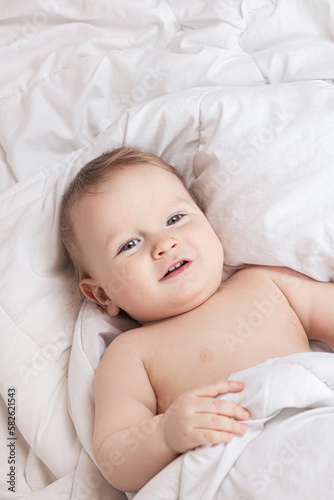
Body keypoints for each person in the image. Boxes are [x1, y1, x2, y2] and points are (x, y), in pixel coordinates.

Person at [59, 146, 334, 494]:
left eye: (174, 219)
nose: (164, 244)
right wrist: (164, 433)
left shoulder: (267, 283)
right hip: (231, 469)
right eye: (129, 244)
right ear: (102, 295)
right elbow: (115, 458)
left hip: (312, 424)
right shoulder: (131, 353)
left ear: (207, 220)